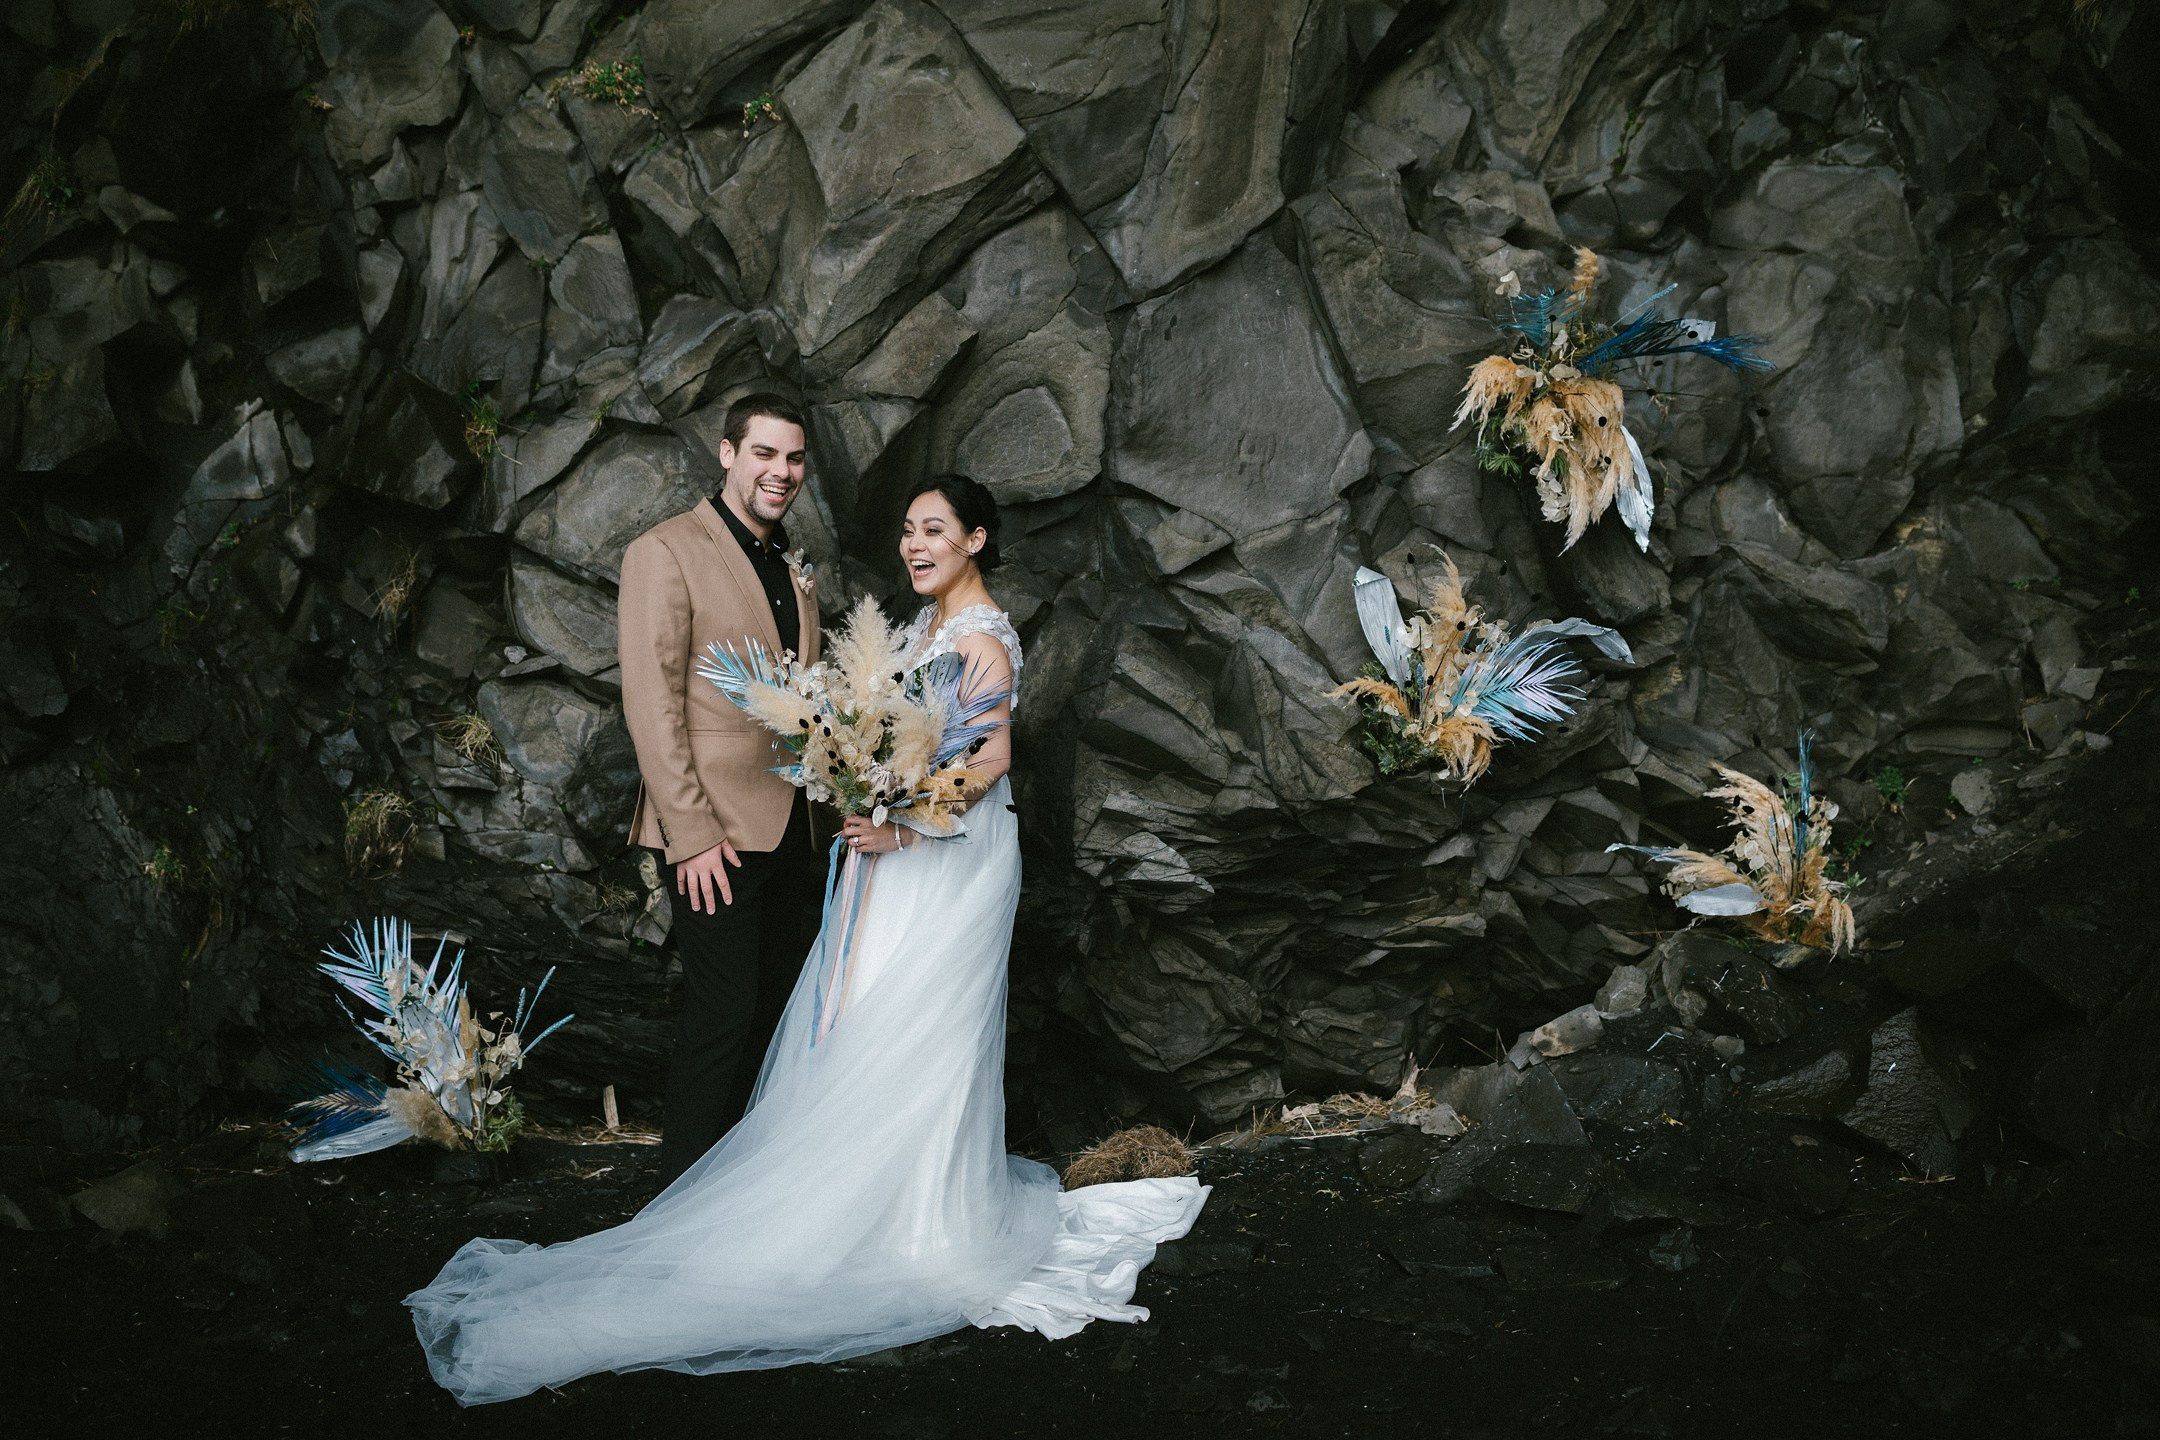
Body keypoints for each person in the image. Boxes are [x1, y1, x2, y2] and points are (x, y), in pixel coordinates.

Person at [406, 475, 1208, 1406]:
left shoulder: (984, 637)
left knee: (922, 1027)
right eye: (907, 529)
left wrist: (904, 822)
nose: (916, 545)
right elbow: (889, 739)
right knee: (868, 1018)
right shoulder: (913, 634)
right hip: (894, 851)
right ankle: (850, 1205)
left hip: (950, 856)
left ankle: (919, 1221)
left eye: (936, 531)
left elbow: (987, 761)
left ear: (978, 539)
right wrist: (863, 786)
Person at [616, 392, 823, 1187]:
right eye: (765, 454)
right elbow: (652, 703)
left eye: (795, 458)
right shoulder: (664, 552)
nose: (782, 472)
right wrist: (691, 835)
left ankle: (741, 1200)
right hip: (716, 834)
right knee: (722, 1016)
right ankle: (681, 1210)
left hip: (791, 827)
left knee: (771, 1016)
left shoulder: (789, 567)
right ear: (728, 454)